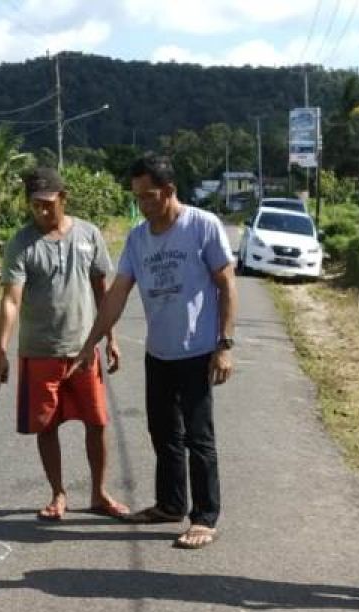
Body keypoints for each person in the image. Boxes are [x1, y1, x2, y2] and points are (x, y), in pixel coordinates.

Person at [73, 154, 237, 549]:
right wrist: (90, 343)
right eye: (138, 197)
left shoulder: (202, 226)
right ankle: (170, 505)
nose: (143, 204)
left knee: (199, 437)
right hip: (159, 352)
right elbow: (116, 295)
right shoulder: (138, 238)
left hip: (197, 350)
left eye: (149, 196)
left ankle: (204, 516)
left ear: (169, 191)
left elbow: (227, 285)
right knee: (163, 432)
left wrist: (225, 344)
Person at [0, 167, 129, 521]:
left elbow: (102, 290)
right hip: (39, 352)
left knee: (97, 423)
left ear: (63, 199)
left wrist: (110, 338)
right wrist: (0, 351)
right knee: (46, 425)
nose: (42, 212)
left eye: (48, 204)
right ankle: (58, 494)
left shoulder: (88, 234)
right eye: (35, 205)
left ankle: (99, 494)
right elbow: (11, 300)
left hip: (84, 349)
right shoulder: (21, 243)